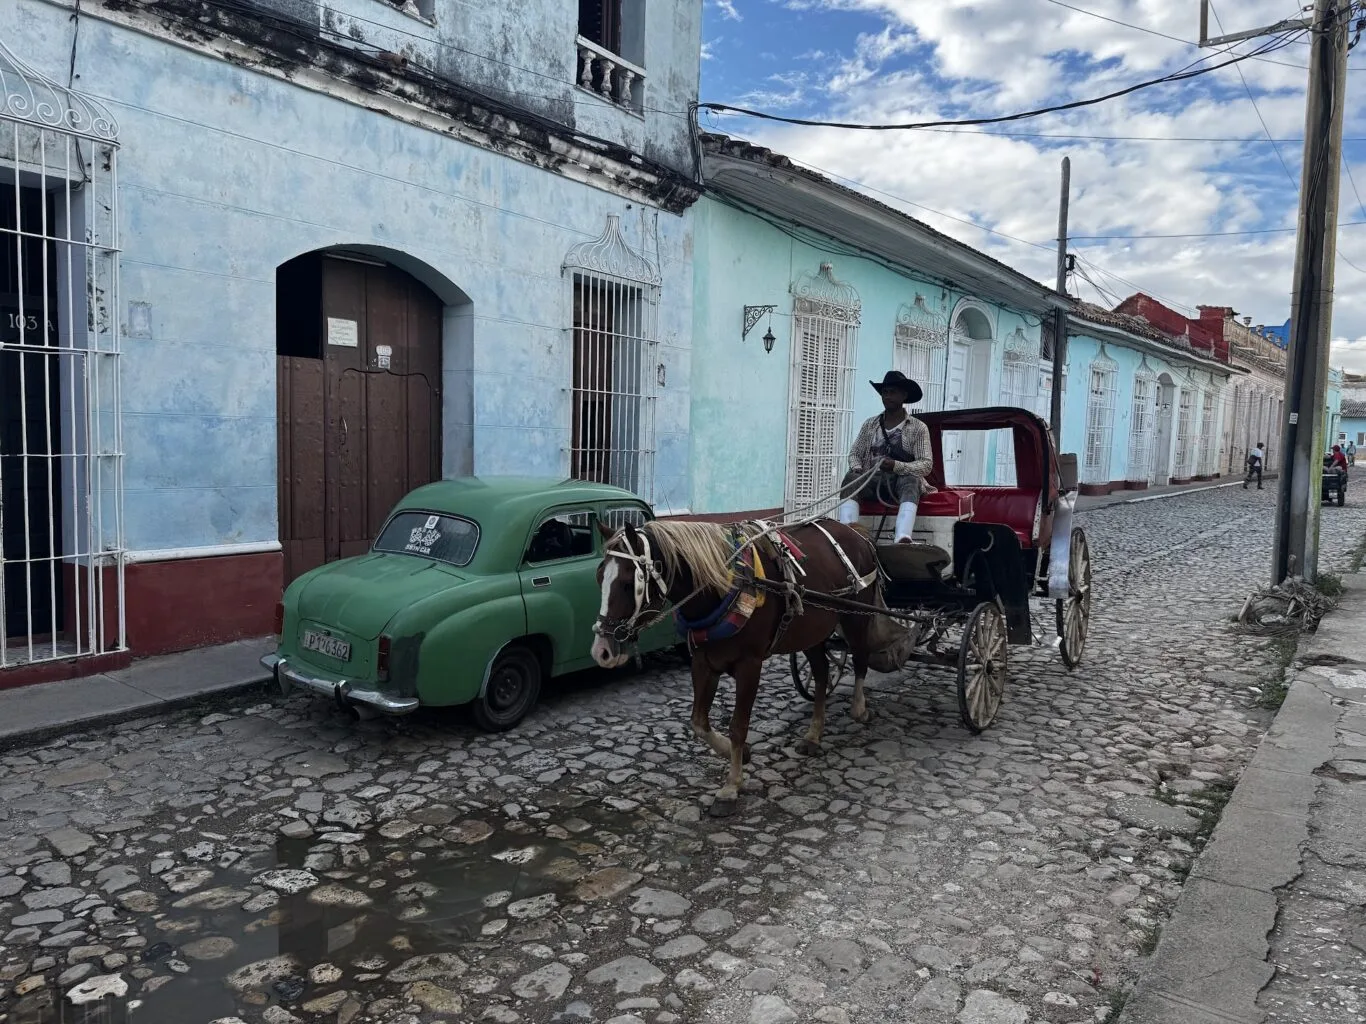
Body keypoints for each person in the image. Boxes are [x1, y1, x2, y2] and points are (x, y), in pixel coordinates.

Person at [836, 370, 934, 543]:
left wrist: (896, 466)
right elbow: (855, 453)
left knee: (912, 480)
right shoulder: (870, 424)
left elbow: (926, 465)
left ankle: (902, 535)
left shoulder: (918, 428)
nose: (888, 396)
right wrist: (857, 468)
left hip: (900, 484)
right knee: (851, 478)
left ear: (904, 395)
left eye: (893, 392)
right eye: (885, 392)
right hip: (872, 480)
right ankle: (847, 533)